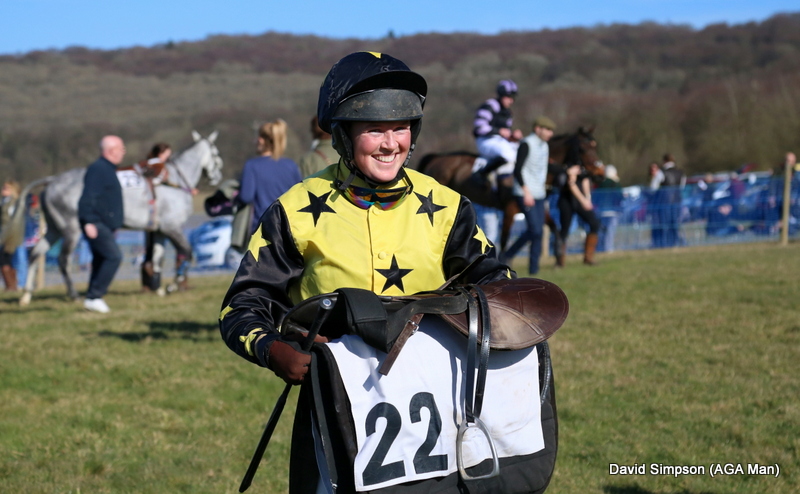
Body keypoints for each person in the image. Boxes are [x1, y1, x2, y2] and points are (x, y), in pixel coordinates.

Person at [219, 52, 521, 493]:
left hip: (437, 408)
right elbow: (241, 306)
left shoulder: (448, 206)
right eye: (374, 129)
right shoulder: (295, 210)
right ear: (342, 136)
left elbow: (494, 283)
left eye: (400, 128)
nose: (390, 143)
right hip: (334, 409)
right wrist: (271, 349)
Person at [500, 116, 556, 274]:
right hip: (525, 193)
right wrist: (526, 192)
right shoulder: (526, 144)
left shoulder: (544, 146)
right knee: (535, 230)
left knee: (538, 231)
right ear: (538, 128)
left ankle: (534, 270)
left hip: (539, 193)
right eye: (548, 129)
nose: (550, 133)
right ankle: (508, 254)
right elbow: (518, 169)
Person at [471, 80, 524, 244]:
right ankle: (481, 173)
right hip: (485, 141)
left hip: (500, 142)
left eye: (512, 97)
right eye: (508, 97)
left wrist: (513, 136)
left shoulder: (508, 113)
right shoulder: (490, 105)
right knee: (508, 154)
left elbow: (505, 134)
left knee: (521, 150)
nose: (511, 100)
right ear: (501, 95)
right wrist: (499, 131)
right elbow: (478, 128)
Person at [78, 135, 126, 313]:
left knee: (100, 260)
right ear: (111, 150)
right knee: (114, 257)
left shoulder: (107, 169)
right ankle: (95, 296)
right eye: (121, 148)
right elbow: (87, 198)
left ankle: (92, 297)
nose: (123, 152)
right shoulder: (98, 169)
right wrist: (89, 221)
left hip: (104, 223)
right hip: (96, 223)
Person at [238, 119, 302, 233]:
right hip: (288, 228)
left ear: (262, 140)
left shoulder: (252, 166)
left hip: (262, 229)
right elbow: (299, 196)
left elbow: (246, 197)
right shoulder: (291, 165)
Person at [139, 142, 172, 292]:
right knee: (155, 250)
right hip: (155, 211)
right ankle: (153, 285)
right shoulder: (158, 166)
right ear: (162, 153)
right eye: (167, 153)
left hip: (146, 211)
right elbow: (154, 183)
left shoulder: (146, 164)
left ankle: (146, 285)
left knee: (149, 249)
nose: (169, 156)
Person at [555, 163, 601, 266]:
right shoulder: (567, 166)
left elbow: (585, 180)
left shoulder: (584, 165)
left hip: (581, 200)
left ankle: (588, 258)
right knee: (564, 230)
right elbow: (571, 184)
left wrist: (587, 198)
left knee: (594, 223)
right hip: (567, 200)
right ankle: (560, 262)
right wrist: (583, 200)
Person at [658, 153, 686, 247]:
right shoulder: (680, 172)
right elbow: (682, 187)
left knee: (665, 224)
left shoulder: (661, 172)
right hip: (677, 201)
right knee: (676, 223)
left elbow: (653, 187)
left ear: (664, 161)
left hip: (665, 202)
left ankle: (667, 243)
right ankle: (677, 242)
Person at [595, 164, 624, 252]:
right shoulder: (615, 184)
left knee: (601, 233)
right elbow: (620, 197)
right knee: (609, 233)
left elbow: (595, 199)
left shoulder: (600, 184)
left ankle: (599, 249)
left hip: (600, 212)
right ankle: (608, 250)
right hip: (613, 212)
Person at [1, 179, 23, 291]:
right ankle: (10, 286)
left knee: (5, 260)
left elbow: (13, 222)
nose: (2, 190)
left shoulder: (13, 203)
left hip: (9, 236)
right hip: (4, 234)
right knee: (6, 260)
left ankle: (11, 286)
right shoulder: (4, 201)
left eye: (6, 188)